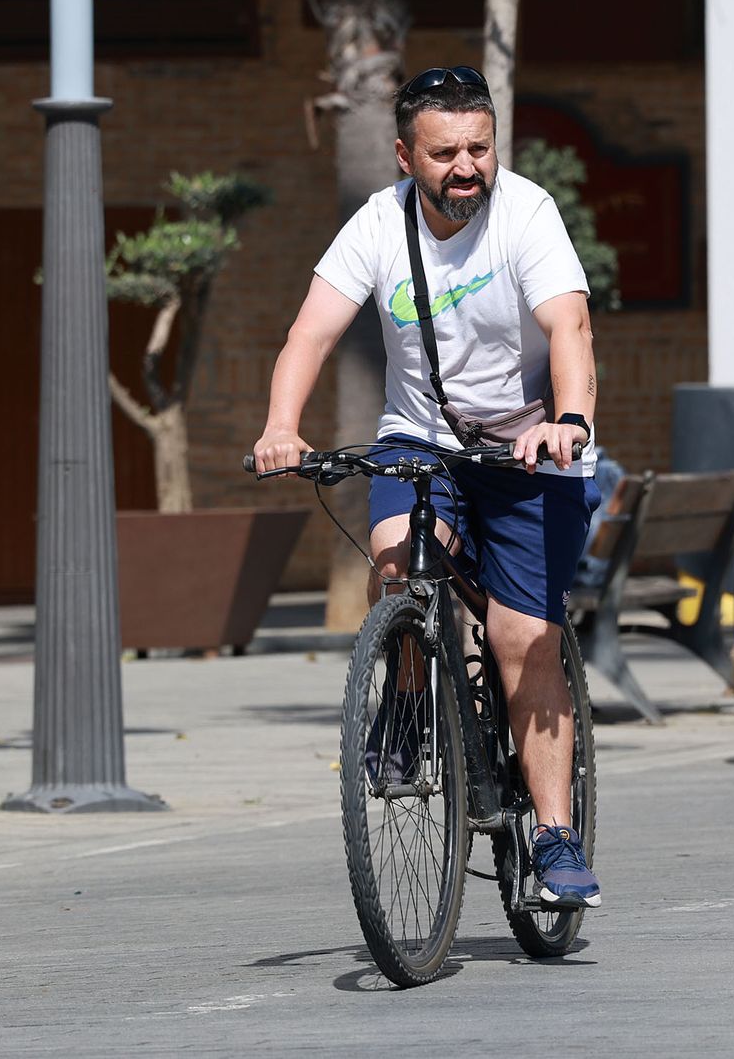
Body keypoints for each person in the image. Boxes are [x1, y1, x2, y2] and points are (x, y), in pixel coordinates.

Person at [253, 65, 604, 906]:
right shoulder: (376, 227)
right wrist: (280, 425)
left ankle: (554, 835)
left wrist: (571, 422)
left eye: (480, 147)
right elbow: (309, 332)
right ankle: (408, 709)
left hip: (530, 447)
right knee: (397, 564)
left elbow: (570, 325)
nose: (467, 166)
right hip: (424, 441)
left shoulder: (528, 215)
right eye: (446, 151)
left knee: (524, 639)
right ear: (406, 155)